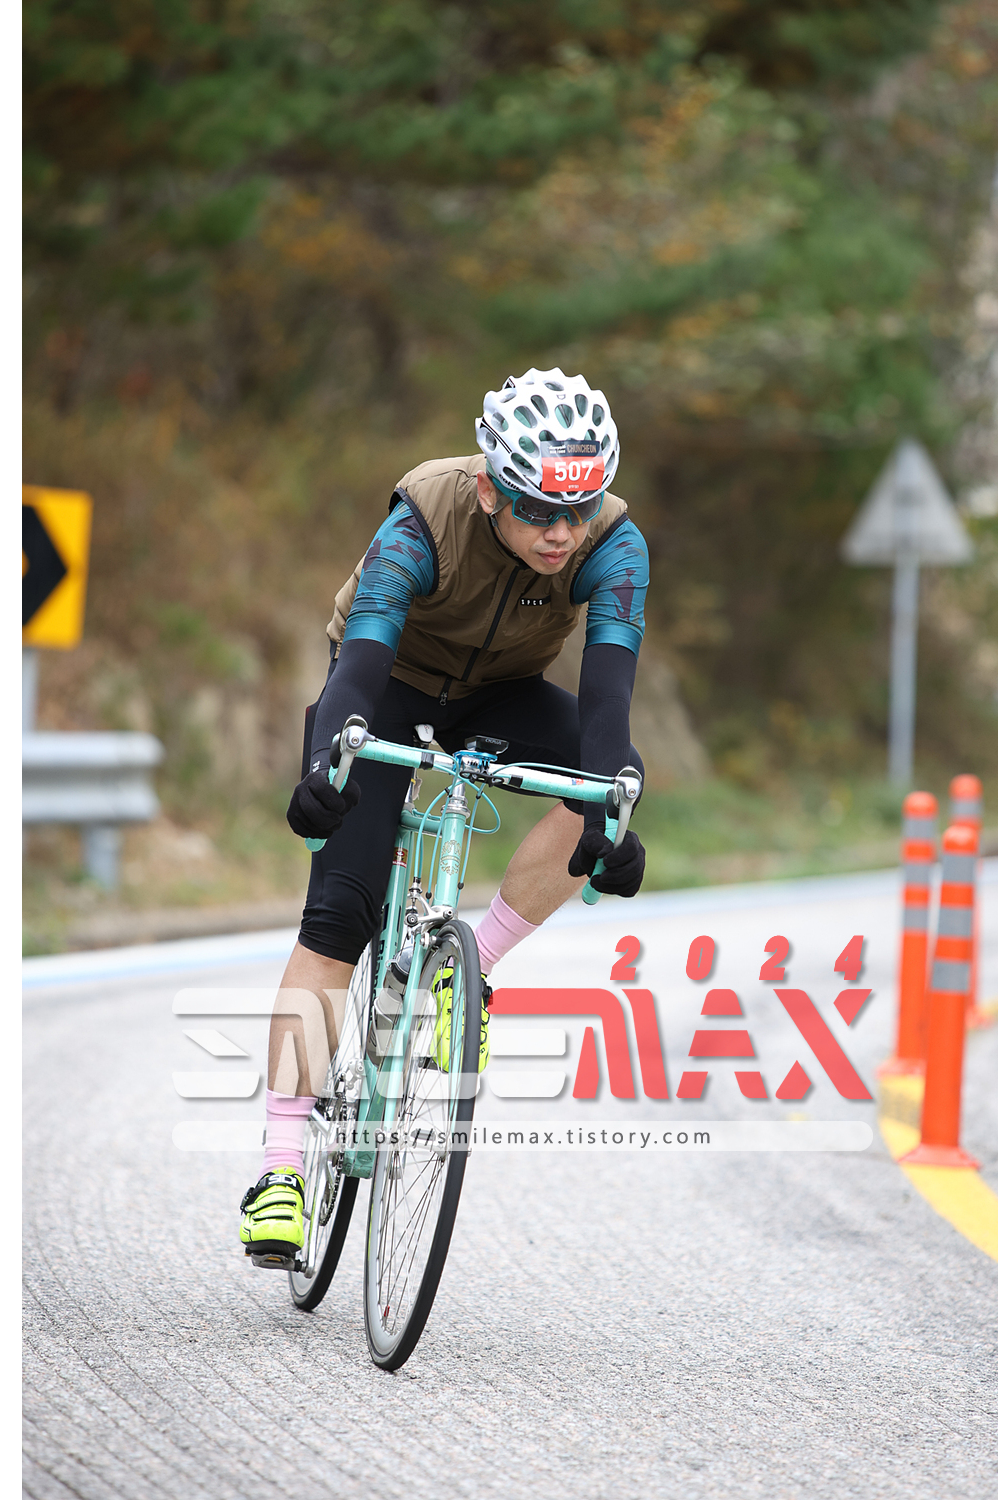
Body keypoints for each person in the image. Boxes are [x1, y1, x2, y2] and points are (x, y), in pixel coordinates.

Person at [239, 368, 651, 1261]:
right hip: (386, 685)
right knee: (337, 918)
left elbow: (608, 704)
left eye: (577, 511)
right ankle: (279, 1172)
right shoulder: (426, 513)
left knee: (608, 783)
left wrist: (609, 823)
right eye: (539, 510)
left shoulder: (614, 541)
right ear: (490, 489)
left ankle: (469, 969)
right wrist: (328, 766)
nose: (561, 533)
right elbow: (361, 656)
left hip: (503, 693)